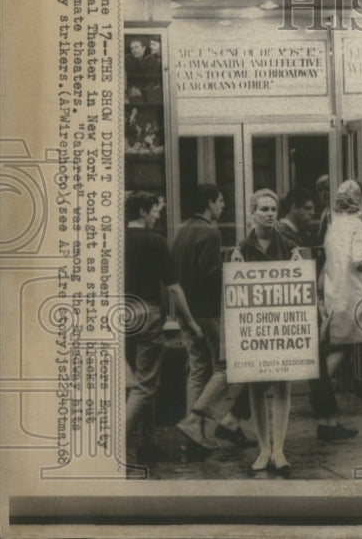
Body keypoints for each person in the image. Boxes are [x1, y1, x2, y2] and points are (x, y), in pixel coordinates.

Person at [173, 184, 254, 451]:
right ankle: (195, 420)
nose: (223, 206)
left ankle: (192, 436)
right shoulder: (210, 232)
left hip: (187, 312)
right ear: (209, 203)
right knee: (230, 366)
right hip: (208, 312)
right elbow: (210, 275)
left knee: (197, 370)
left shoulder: (182, 230)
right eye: (220, 201)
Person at [124, 192, 202, 466]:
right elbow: (174, 288)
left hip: (120, 315)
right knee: (145, 385)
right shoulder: (156, 243)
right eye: (156, 210)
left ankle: (148, 441)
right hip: (148, 312)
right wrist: (190, 322)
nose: (159, 214)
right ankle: (114, 439)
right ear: (144, 211)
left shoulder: (115, 240)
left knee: (141, 379)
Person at [232, 188, 301, 476]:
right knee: (257, 387)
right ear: (252, 213)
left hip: (280, 327)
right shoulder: (242, 249)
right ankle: (263, 448)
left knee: (283, 385)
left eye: (273, 209)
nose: (270, 214)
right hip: (256, 330)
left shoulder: (289, 246)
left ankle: (279, 449)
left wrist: (299, 268)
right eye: (264, 209)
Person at [313, 180, 362, 441]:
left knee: (341, 348)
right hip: (356, 294)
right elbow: (359, 258)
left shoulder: (334, 224)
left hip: (336, 293)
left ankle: (322, 403)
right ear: (359, 200)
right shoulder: (356, 225)